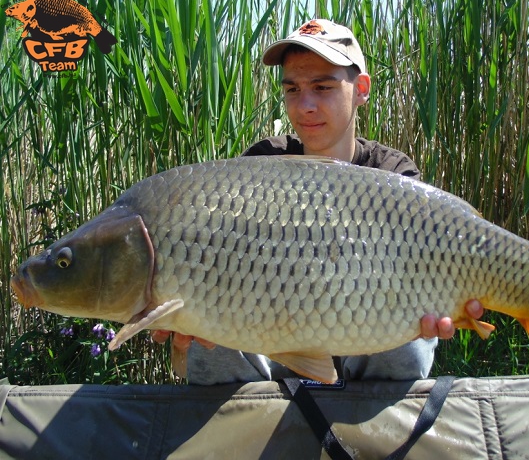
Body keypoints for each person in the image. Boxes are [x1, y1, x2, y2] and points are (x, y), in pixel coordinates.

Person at [153, 19, 484, 383]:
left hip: (367, 335)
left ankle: (372, 436)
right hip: (277, 342)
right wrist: (184, 325)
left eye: (323, 87)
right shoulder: (261, 164)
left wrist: (447, 305)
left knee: (410, 329)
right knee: (210, 319)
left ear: (361, 89)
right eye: (292, 89)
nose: (305, 105)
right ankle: (242, 429)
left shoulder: (391, 175)